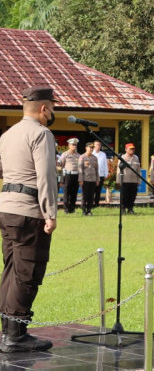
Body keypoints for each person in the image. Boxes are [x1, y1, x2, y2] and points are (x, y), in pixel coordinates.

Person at [0, 86, 57, 352]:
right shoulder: (41, 134)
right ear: (44, 108)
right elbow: (46, 177)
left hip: (7, 208)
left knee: (11, 271)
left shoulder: (8, 134)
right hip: (28, 211)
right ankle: (15, 335)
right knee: (27, 272)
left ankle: (8, 331)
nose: (53, 113)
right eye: (53, 107)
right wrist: (50, 214)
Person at [117, 143, 140, 214]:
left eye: (133, 149)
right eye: (130, 149)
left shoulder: (136, 158)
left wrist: (138, 180)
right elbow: (118, 170)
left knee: (132, 195)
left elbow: (138, 169)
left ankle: (130, 208)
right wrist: (118, 180)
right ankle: (123, 208)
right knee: (124, 195)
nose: (132, 150)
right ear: (126, 149)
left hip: (134, 180)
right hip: (125, 180)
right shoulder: (122, 157)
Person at [59, 138, 80, 213]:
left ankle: (72, 209)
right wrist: (61, 179)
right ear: (69, 145)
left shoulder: (78, 155)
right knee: (66, 193)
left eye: (75, 145)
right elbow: (60, 166)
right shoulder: (65, 154)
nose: (74, 146)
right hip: (68, 175)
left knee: (74, 193)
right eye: (73, 145)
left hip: (76, 175)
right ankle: (66, 209)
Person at [78, 142, 99, 216]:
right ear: (86, 148)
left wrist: (97, 179)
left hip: (93, 179)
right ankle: (84, 210)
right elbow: (80, 169)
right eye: (90, 147)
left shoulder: (94, 157)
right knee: (84, 195)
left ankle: (89, 210)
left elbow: (96, 169)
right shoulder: (82, 157)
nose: (91, 149)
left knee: (91, 195)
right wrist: (80, 180)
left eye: (92, 147)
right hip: (85, 179)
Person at [93, 140, 108, 208]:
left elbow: (105, 165)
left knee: (98, 191)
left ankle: (96, 204)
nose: (98, 146)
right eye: (97, 145)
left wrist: (105, 174)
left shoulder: (103, 154)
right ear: (94, 146)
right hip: (92, 176)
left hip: (101, 175)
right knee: (92, 191)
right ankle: (90, 204)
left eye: (99, 145)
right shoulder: (91, 153)